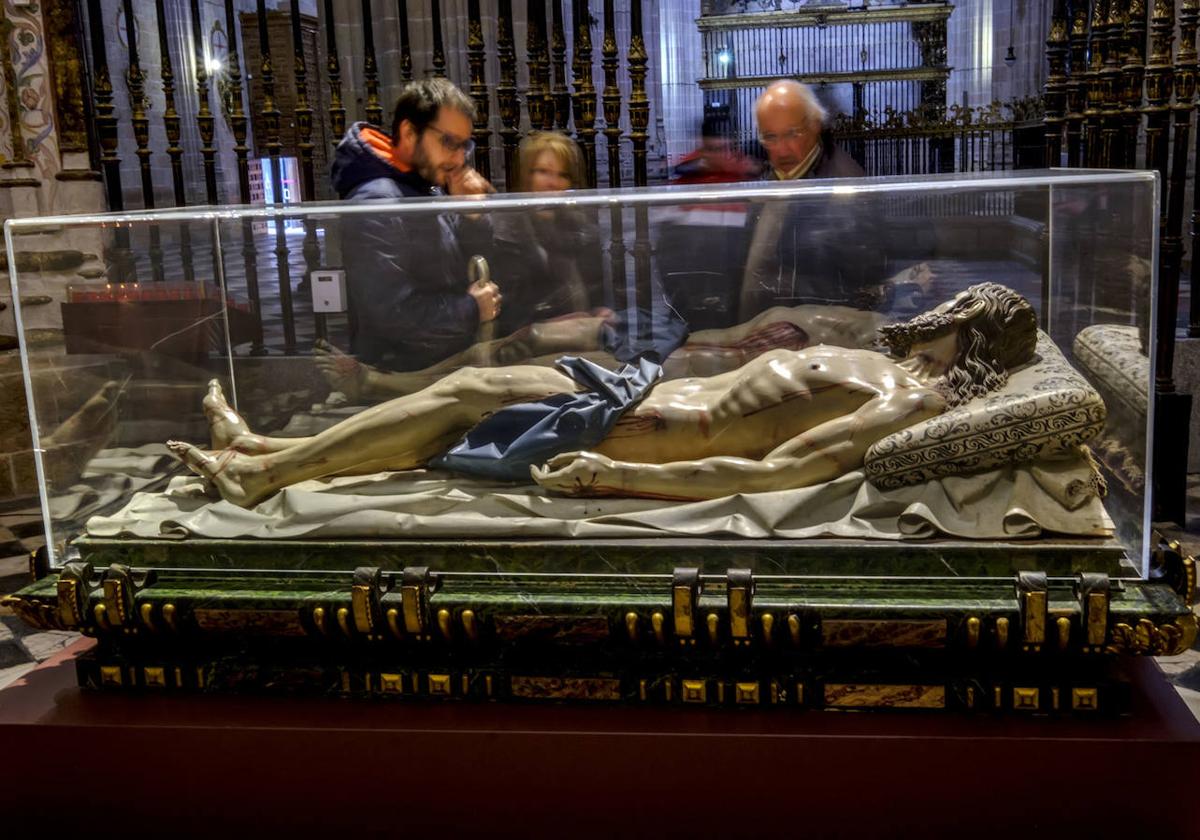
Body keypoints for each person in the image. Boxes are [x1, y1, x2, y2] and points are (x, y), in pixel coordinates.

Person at [171, 283, 1037, 507]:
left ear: (971, 337)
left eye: (952, 313)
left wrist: (622, 479)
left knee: (467, 395)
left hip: (655, 429)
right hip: (644, 389)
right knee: (463, 391)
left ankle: (265, 473)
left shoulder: (914, 405)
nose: (934, 314)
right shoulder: (888, 356)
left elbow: (779, 471)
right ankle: (263, 455)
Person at [331, 78, 502, 370]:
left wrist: (471, 218)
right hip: (403, 375)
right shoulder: (377, 202)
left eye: (465, 145)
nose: (460, 158)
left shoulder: (422, 186)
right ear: (409, 132)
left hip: (439, 365)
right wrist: (472, 309)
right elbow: (393, 318)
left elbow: (461, 265)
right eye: (449, 142)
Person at [739, 80, 887, 320]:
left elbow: (860, 281)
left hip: (811, 332)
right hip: (771, 325)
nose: (782, 149)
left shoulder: (843, 187)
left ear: (815, 125)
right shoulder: (776, 176)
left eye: (792, 134)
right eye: (770, 137)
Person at [491, 132, 604, 334]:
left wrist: (604, 311)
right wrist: (552, 325)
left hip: (582, 339)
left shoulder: (582, 228)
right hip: (530, 349)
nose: (553, 182)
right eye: (543, 171)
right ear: (527, 176)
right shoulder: (506, 232)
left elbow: (598, 292)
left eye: (563, 175)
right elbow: (506, 315)